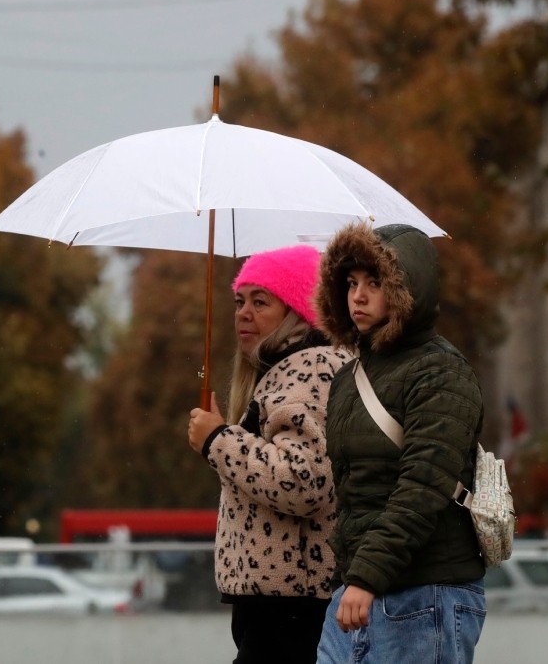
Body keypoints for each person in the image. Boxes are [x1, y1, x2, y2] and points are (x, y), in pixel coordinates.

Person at [312, 223, 486, 663]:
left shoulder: (440, 371)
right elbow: (356, 495)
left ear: (408, 287)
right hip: (355, 595)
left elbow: (423, 487)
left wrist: (366, 578)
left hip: (426, 592)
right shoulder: (347, 379)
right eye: (350, 283)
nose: (358, 296)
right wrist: (353, 579)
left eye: (375, 282)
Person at [188, 244, 353, 664]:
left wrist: (218, 441)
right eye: (240, 301)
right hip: (278, 599)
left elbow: (305, 481)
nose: (243, 313)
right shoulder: (282, 372)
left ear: (298, 311)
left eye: (261, 301)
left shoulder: (310, 370)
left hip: (292, 603)